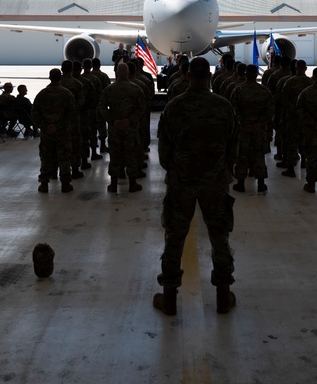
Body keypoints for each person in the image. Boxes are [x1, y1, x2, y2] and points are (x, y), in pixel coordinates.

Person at [154, 57, 238, 316]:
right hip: (214, 181)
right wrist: (222, 172)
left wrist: (178, 170)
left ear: (188, 76)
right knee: (219, 236)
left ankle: (169, 298)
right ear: (210, 77)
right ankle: (223, 296)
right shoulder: (223, 107)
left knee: (175, 236)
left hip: (182, 181)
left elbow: (164, 150)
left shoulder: (174, 106)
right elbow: (233, 147)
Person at [97, 63, 146, 193]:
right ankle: (132, 184)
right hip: (130, 128)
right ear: (128, 72)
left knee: (115, 155)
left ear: (117, 73)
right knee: (131, 155)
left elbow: (102, 107)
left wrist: (112, 120)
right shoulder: (136, 89)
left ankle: (113, 185)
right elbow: (142, 108)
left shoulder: (109, 89)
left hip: (115, 128)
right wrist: (129, 120)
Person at [31, 69, 78, 193]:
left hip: (47, 133)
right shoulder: (66, 94)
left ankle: (44, 184)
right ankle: (65, 184)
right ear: (60, 78)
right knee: (64, 157)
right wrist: (58, 126)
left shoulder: (42, 94)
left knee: (46, 157)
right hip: (62, 132)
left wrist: (45, 126)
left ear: (49, 78)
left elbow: (35, 112)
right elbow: (71, 113)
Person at [229, 64, 273, 193]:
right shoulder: (264, 91)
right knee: (259, 156)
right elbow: (270, 110)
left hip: (244, 129)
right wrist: (260, 124)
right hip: (259, 130)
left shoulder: (238, 90)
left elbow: (233, 109)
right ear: (256, 75)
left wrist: (243, 123)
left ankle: (241, 183)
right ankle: (261, 183)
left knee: (242, 155)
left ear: (246, 74)